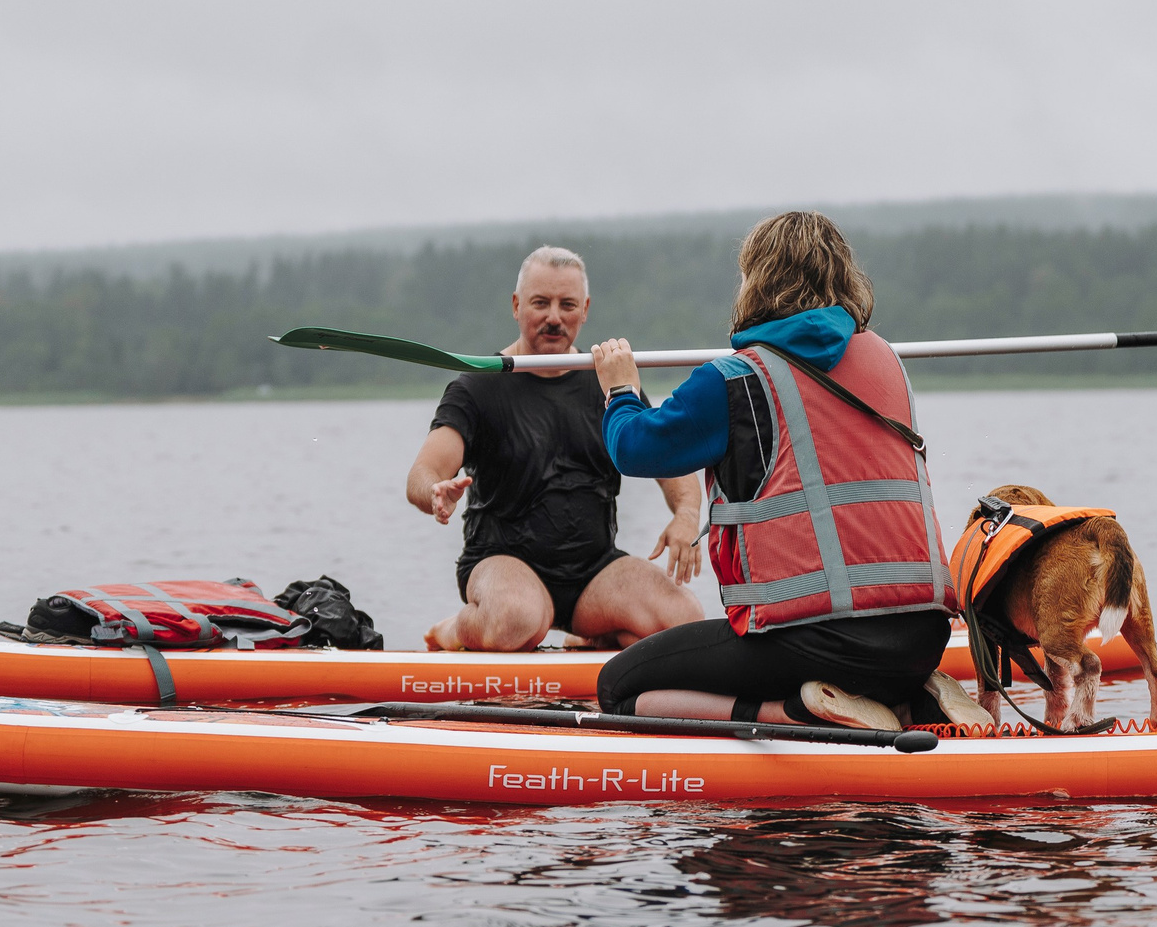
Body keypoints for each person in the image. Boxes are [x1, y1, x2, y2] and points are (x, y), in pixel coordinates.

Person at [590, 212, 992, 732]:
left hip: (813, 645)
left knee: (617, 688)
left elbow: (632, 448)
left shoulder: (733, 382)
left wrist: (620, 389)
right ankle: (913, 699)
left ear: (754, 280)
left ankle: (798, 712)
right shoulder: (887, 361)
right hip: (921, 640)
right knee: (866, 660)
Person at [406, 246, 708, 650]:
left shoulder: (611, 385)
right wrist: (434, 492)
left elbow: (674, 467)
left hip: (593, 572)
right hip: (502, 562)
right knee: (516, 620)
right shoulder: (476, 388)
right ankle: (453, 630)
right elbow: (421, 474)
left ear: (584, 310)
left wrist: (686, 516)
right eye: (540, 303)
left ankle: (591, 632)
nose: (553, 317)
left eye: (566, 305)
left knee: (685, 620)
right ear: (516, 306)